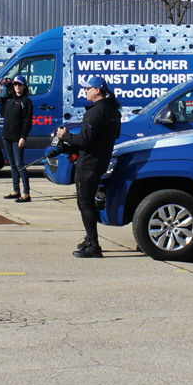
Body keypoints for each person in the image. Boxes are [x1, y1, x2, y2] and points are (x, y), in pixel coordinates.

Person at [57, 76, 122, 258]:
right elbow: (113, 135)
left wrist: (64, 136)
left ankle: (94, 246)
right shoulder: (113, 111)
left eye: (88, 88)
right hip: (100, 162)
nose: (85, 91)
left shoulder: (95, 112)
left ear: (97, 90)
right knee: (89, 203)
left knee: (84, 203)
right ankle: (89, 238)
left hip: (88, 165)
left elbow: (85, 139)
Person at [0, 76, 34, 203]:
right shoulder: (10, 100)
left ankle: (26, 193)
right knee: (12, 164)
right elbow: (3, 113)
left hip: (17, 138)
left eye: (19, 84)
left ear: (24, 86)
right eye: (15, 84)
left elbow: (27, 122)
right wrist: (2, 98)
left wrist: (23, 137)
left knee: (20, 165)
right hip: (7, 136)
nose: (17, 86)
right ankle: (16, 190)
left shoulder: (26, 102)